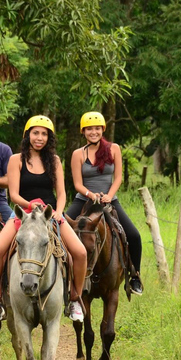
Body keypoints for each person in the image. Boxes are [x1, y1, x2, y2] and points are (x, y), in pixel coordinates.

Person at [0, 115, 87, 323]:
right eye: (35, 133)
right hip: (23, 213)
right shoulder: (16, 160)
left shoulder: (55, 161)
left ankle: (75, 298)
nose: (39, 137)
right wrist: (30, 206)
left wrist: (59, 211)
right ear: (28, 135)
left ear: (48, 138)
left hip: (49, 215)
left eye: (44, 134)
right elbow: (13, 194)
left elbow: (61, 194)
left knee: (80, 252)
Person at [66, 111, 144, 295]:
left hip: (109, 200)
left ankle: (135, 276)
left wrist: (109, 195)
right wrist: (90, 194)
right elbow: (77, 183)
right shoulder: (78, 154)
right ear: (83, 131)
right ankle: (64, 275)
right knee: (61, 228)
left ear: (103, 129)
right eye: (89, 129)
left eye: (97, 128)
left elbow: (118, 178)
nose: (94, 132)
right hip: (84, 200)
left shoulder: (113, 148)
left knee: (134, 235)